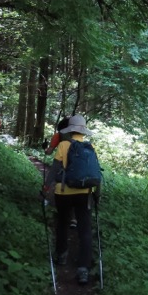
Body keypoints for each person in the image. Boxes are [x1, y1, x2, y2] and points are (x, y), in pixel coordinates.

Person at [42, 114, 99, 285]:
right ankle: (83, 268)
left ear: (70, 129)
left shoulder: (64, 145)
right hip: (84, 193)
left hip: (63, 192)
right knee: (85, 229)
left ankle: (62, 255)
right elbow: (96, 173)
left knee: (63, 223)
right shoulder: (90, 146)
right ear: (83, 131)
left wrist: (46, 187)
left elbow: (54, 170)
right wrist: (97, 194)